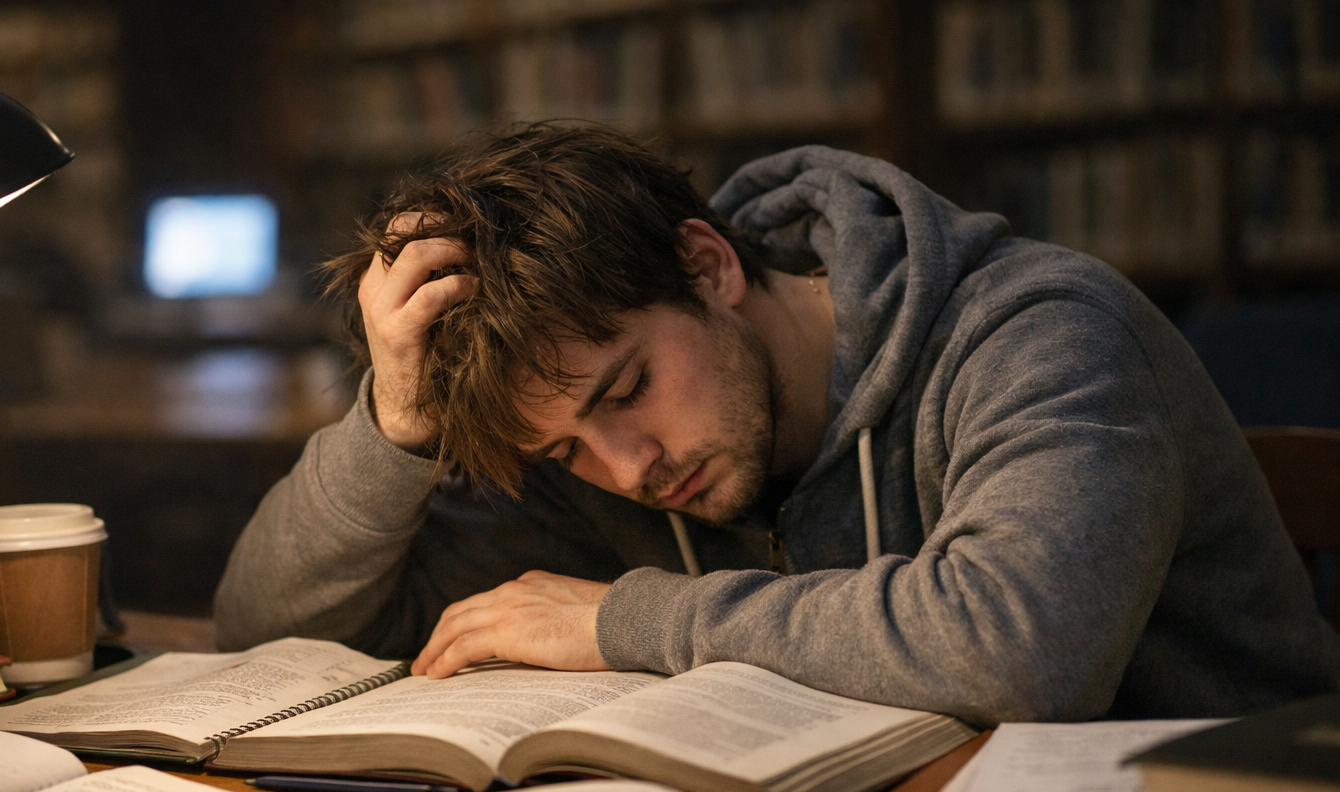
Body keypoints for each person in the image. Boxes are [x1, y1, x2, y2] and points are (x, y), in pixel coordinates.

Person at [215, 123, 1339, 723]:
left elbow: (1021, 652)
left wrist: (627, 620)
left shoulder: (1038, 328)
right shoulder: (598, 453)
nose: (629, 468)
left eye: (623, 391)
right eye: (563, 451)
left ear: (707, 266)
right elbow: (265, 629)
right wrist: (396, 421)